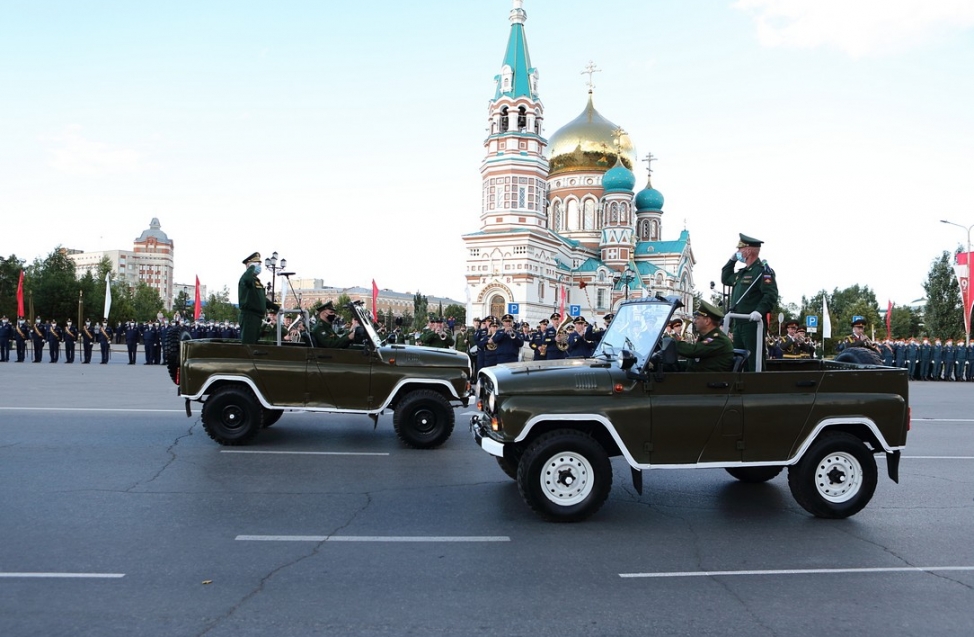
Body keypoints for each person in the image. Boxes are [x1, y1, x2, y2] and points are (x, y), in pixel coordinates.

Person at [720, 233, 778, 371]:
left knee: (754, 360)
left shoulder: (762, 271)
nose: (738, 252)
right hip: (738, 323)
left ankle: (757, 389)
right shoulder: (742, 273)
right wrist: (731, 260)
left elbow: (770, 294)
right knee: (738, 359)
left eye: (740, 250)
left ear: (748, 251)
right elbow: (725, 278)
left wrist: (759, 311)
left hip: (752, 324)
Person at [673, 300, 734, 372]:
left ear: (707, 321)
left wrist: (672, 342)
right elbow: (693, 363)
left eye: (697, 318)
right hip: (700, 379)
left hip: (708, 381)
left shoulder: (718, 339)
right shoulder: (706, 337)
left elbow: (693, 351)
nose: (694, 321)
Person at [238, 252, 280, 345]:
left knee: (254, 343)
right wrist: (251, 268)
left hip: (257, 317)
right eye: (257, 264)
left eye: (259, 264)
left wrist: (276, 307)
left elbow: (262, 299)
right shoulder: (246, 278)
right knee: (248, 344)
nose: (259, 267)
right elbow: (247, 280)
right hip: (249, 316)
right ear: (249, 265)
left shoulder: (256, 281)